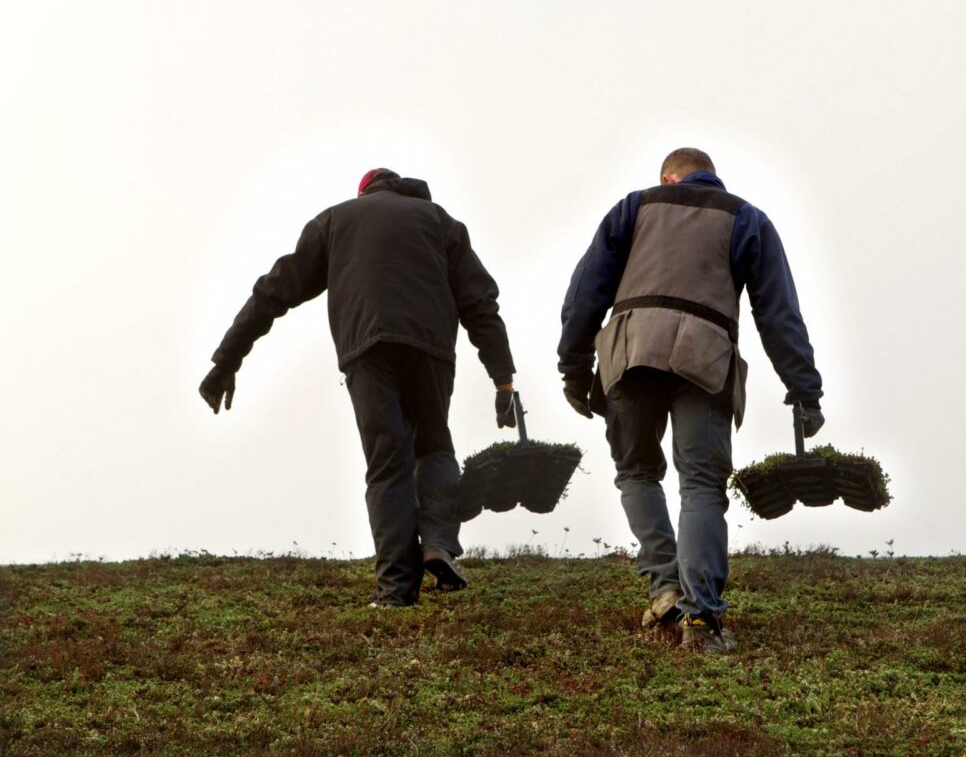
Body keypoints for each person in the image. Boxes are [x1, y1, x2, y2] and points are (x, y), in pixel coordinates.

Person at [199, 168, 517, 608]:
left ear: (363, 193)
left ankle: (395, 590)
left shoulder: (335, 222)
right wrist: (503, 379)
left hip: (367, 349)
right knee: (434, 447)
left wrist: (227, 359)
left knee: (387, 465)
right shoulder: (439, 221)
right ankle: (439, 543)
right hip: (430, 349)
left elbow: (273, 291)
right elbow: (480, 304)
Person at [557, 148, 824, 653]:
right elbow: (778, 311)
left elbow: (585, 292)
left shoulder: (634, 207)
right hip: (704, 357)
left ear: (667, 177)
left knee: (637, 471)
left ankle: (664, 585)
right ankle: (701, 621)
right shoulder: (745, 218)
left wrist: (573, 368)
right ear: (712, 178)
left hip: (631, 350)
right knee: (701, 483)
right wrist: (805, 388)